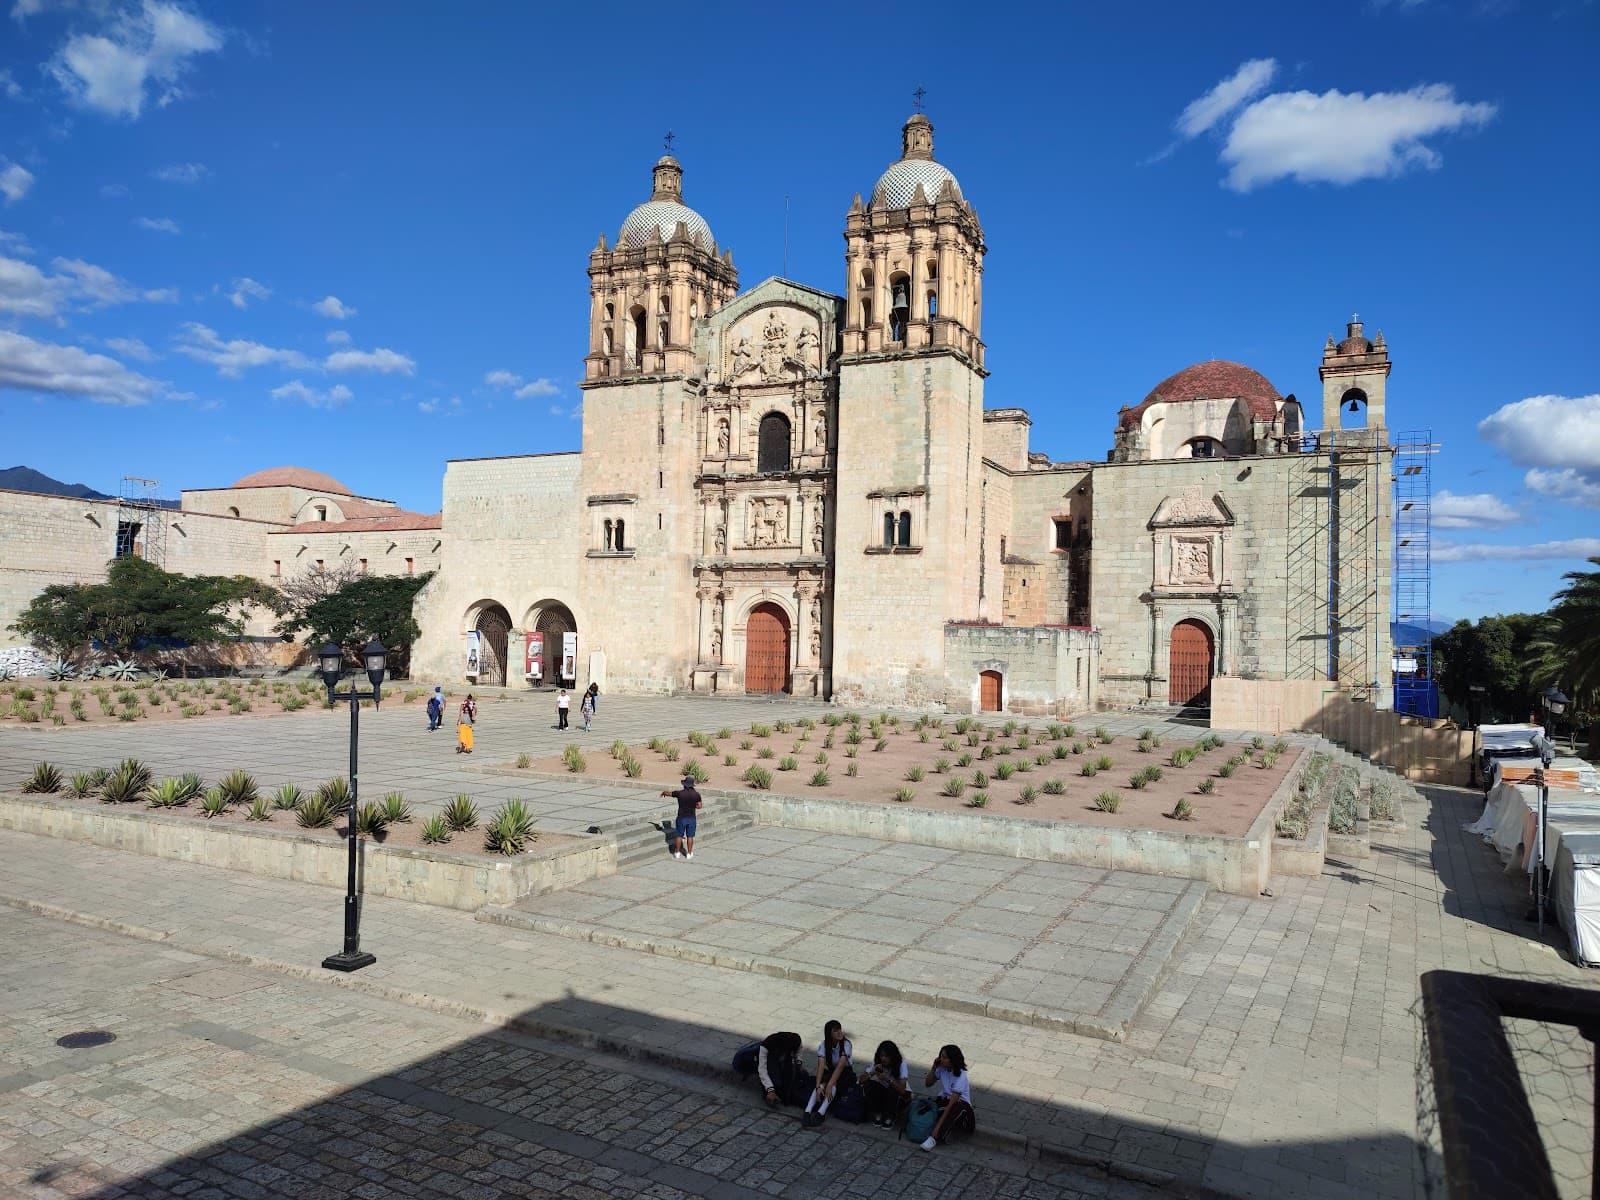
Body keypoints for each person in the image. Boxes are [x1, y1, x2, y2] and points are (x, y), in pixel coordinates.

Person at [801, 1020, 854, 1129]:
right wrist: (818, 1086)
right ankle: (807, 1111)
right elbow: (820, 1066)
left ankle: (821, 1113)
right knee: (820, 1087)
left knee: (832, 1087)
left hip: (846, 1073)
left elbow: (840, 1066)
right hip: (831, 1071)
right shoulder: (824, 1045)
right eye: (835, 1031)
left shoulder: (846, 1044)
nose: (839, 1032)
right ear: (829, 1033)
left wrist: (829, 1084)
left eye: (840, 1029)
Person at [920, 1044, 974, 1150]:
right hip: (945, 1100)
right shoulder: (942, 1069)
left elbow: (951, 1104)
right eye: (941, 1056)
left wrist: (936, 1129)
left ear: (952, 1060)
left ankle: (934, 1137)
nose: (941, 1059)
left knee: (952, 1110)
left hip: (961, 1106)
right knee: (929, 1107)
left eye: (944, 1058)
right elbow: (928, 1083)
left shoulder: (961, 1076)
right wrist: (934, 1067)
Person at [861, 1039, 909, 1129]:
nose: (883, 1059)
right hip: (881, 1094)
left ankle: (890, 1117)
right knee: (869, 1085)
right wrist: (872, 1072)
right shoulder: (877, 1063)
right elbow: (861, 1081)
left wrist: (888, 1079)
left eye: (887, 1056)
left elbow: (902, 1090)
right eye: (882, 1056)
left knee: (892, 1089)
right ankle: (877, 1114)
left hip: (896, 1096)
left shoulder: (902, 1064)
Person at [756, 1031, 804, 1108]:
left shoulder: (795, 1041)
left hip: (784, 1059)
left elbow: (799, 1051)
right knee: (775, 1079)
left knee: (790, 1075)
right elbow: (762, 1070)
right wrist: (770, 1090)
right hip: (771, 1058)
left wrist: (798, 1063)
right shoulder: (767, 1045)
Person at [661, 775, 701, 860]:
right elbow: (699, 806)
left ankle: (677, 852)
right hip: (691, 818)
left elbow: (670, 793)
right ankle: (689, 854)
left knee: (679, 835)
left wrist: (664, 792)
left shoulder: (680, 793)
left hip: (681, 817)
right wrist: (693, 805)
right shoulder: (696, 795)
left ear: (684, 785)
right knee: (690, 836)